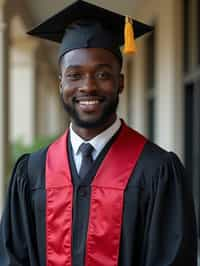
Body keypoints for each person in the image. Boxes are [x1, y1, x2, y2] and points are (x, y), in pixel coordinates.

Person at [0, 0, 197, 265]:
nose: (88, 86)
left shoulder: (157, 171)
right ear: (61, 85)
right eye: (75, 75)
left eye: (103, 74)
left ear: (121, 82)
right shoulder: (33, 172)